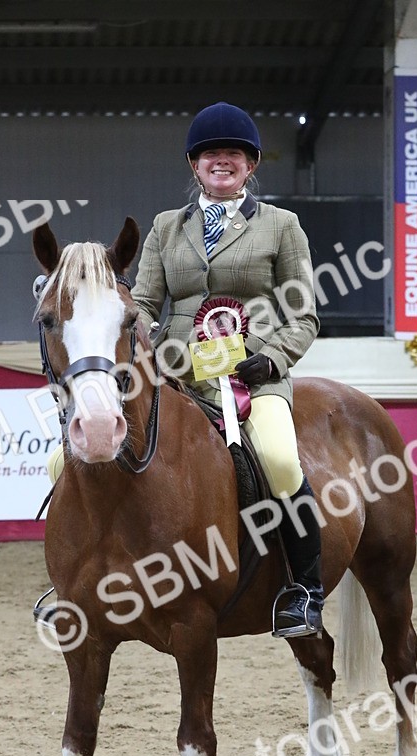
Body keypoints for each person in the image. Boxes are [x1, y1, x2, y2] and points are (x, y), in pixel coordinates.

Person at [132, 101, 322, 637]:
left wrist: (272, 359)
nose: (222, 160)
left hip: (253, 374)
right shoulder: (167, 227)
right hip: (178, 371)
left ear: (251, 164)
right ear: (194, 165)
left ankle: (304, 590)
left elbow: (303, 313)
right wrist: (149, 344)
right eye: (211, 153)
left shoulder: (282, 226)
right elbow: (145, 301)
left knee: (282, 461)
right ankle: (81, 579)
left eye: (233, 153)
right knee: (92, 451)